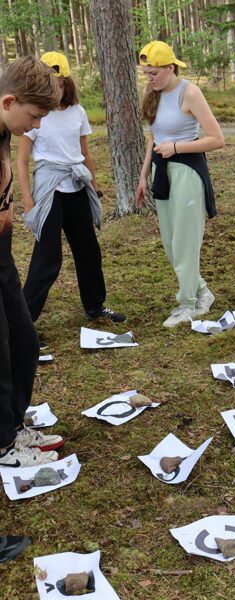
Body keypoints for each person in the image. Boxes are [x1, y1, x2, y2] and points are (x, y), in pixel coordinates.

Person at [16, 52, 125, 342]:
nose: (53, 88)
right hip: (50, 188)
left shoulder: (77, 112)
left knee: (88, 250)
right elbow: (22, 160)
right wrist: (28, 200)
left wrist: (95, 185)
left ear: (66, 82)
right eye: (47, 83)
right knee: (48, 258)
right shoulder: (35, 114)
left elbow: (84, 152)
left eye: (58, 82)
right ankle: (23, 323)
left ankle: (94, 306)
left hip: (76, 185)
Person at [0, 56, 65, 468]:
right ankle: (3, 445)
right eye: (35, 116)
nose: (36, 126)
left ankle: (13, 423)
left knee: (24, 340)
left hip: (3, 255)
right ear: (9, 101)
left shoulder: (5, 127)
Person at [136, 41, 224, 327]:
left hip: (187, 170)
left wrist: (176, 147)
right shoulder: (153, 93)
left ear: (170, 68)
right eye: (146, 73)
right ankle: (203, 292)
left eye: (154, 73)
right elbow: (153, 137)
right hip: (161, 171)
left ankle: (186, 304)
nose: (149, 79)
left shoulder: (190, 93)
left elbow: (217, 139)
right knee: (171, 243)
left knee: (185, 241)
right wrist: (143, 175)